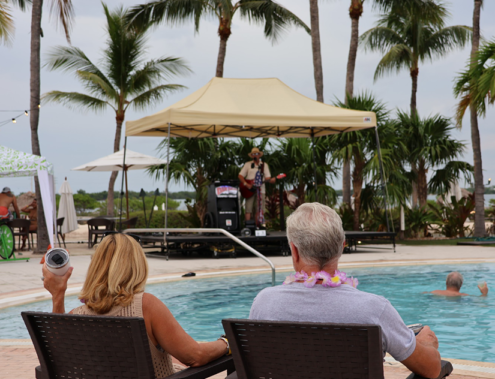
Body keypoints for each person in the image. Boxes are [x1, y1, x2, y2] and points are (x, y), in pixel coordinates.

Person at [249, 203, 442, 379]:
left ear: (294, 250)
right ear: (342, 247)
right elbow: (432, 370)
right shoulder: (374, 309)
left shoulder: (264, 303)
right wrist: (425, 344)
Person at [42, 233, 230, 376]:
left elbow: (61, 364)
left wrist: (57, 295)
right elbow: (195, 356)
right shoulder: (146, 306)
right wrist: (227, 343)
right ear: (137, 266)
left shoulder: (76, 316)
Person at [238, 147, 275, 222]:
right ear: (251, 156)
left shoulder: (264, 165)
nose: (255, 155)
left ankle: (258, 226)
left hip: (261, 189)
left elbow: (267, 178)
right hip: (249, 189)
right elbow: (240, 175)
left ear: (259, 155)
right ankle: (247, 226)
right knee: (248, 208)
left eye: (256, 154)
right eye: (253, 154)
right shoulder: (248, 164)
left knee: (260, 209)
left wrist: (272, 180)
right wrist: (246, 184)